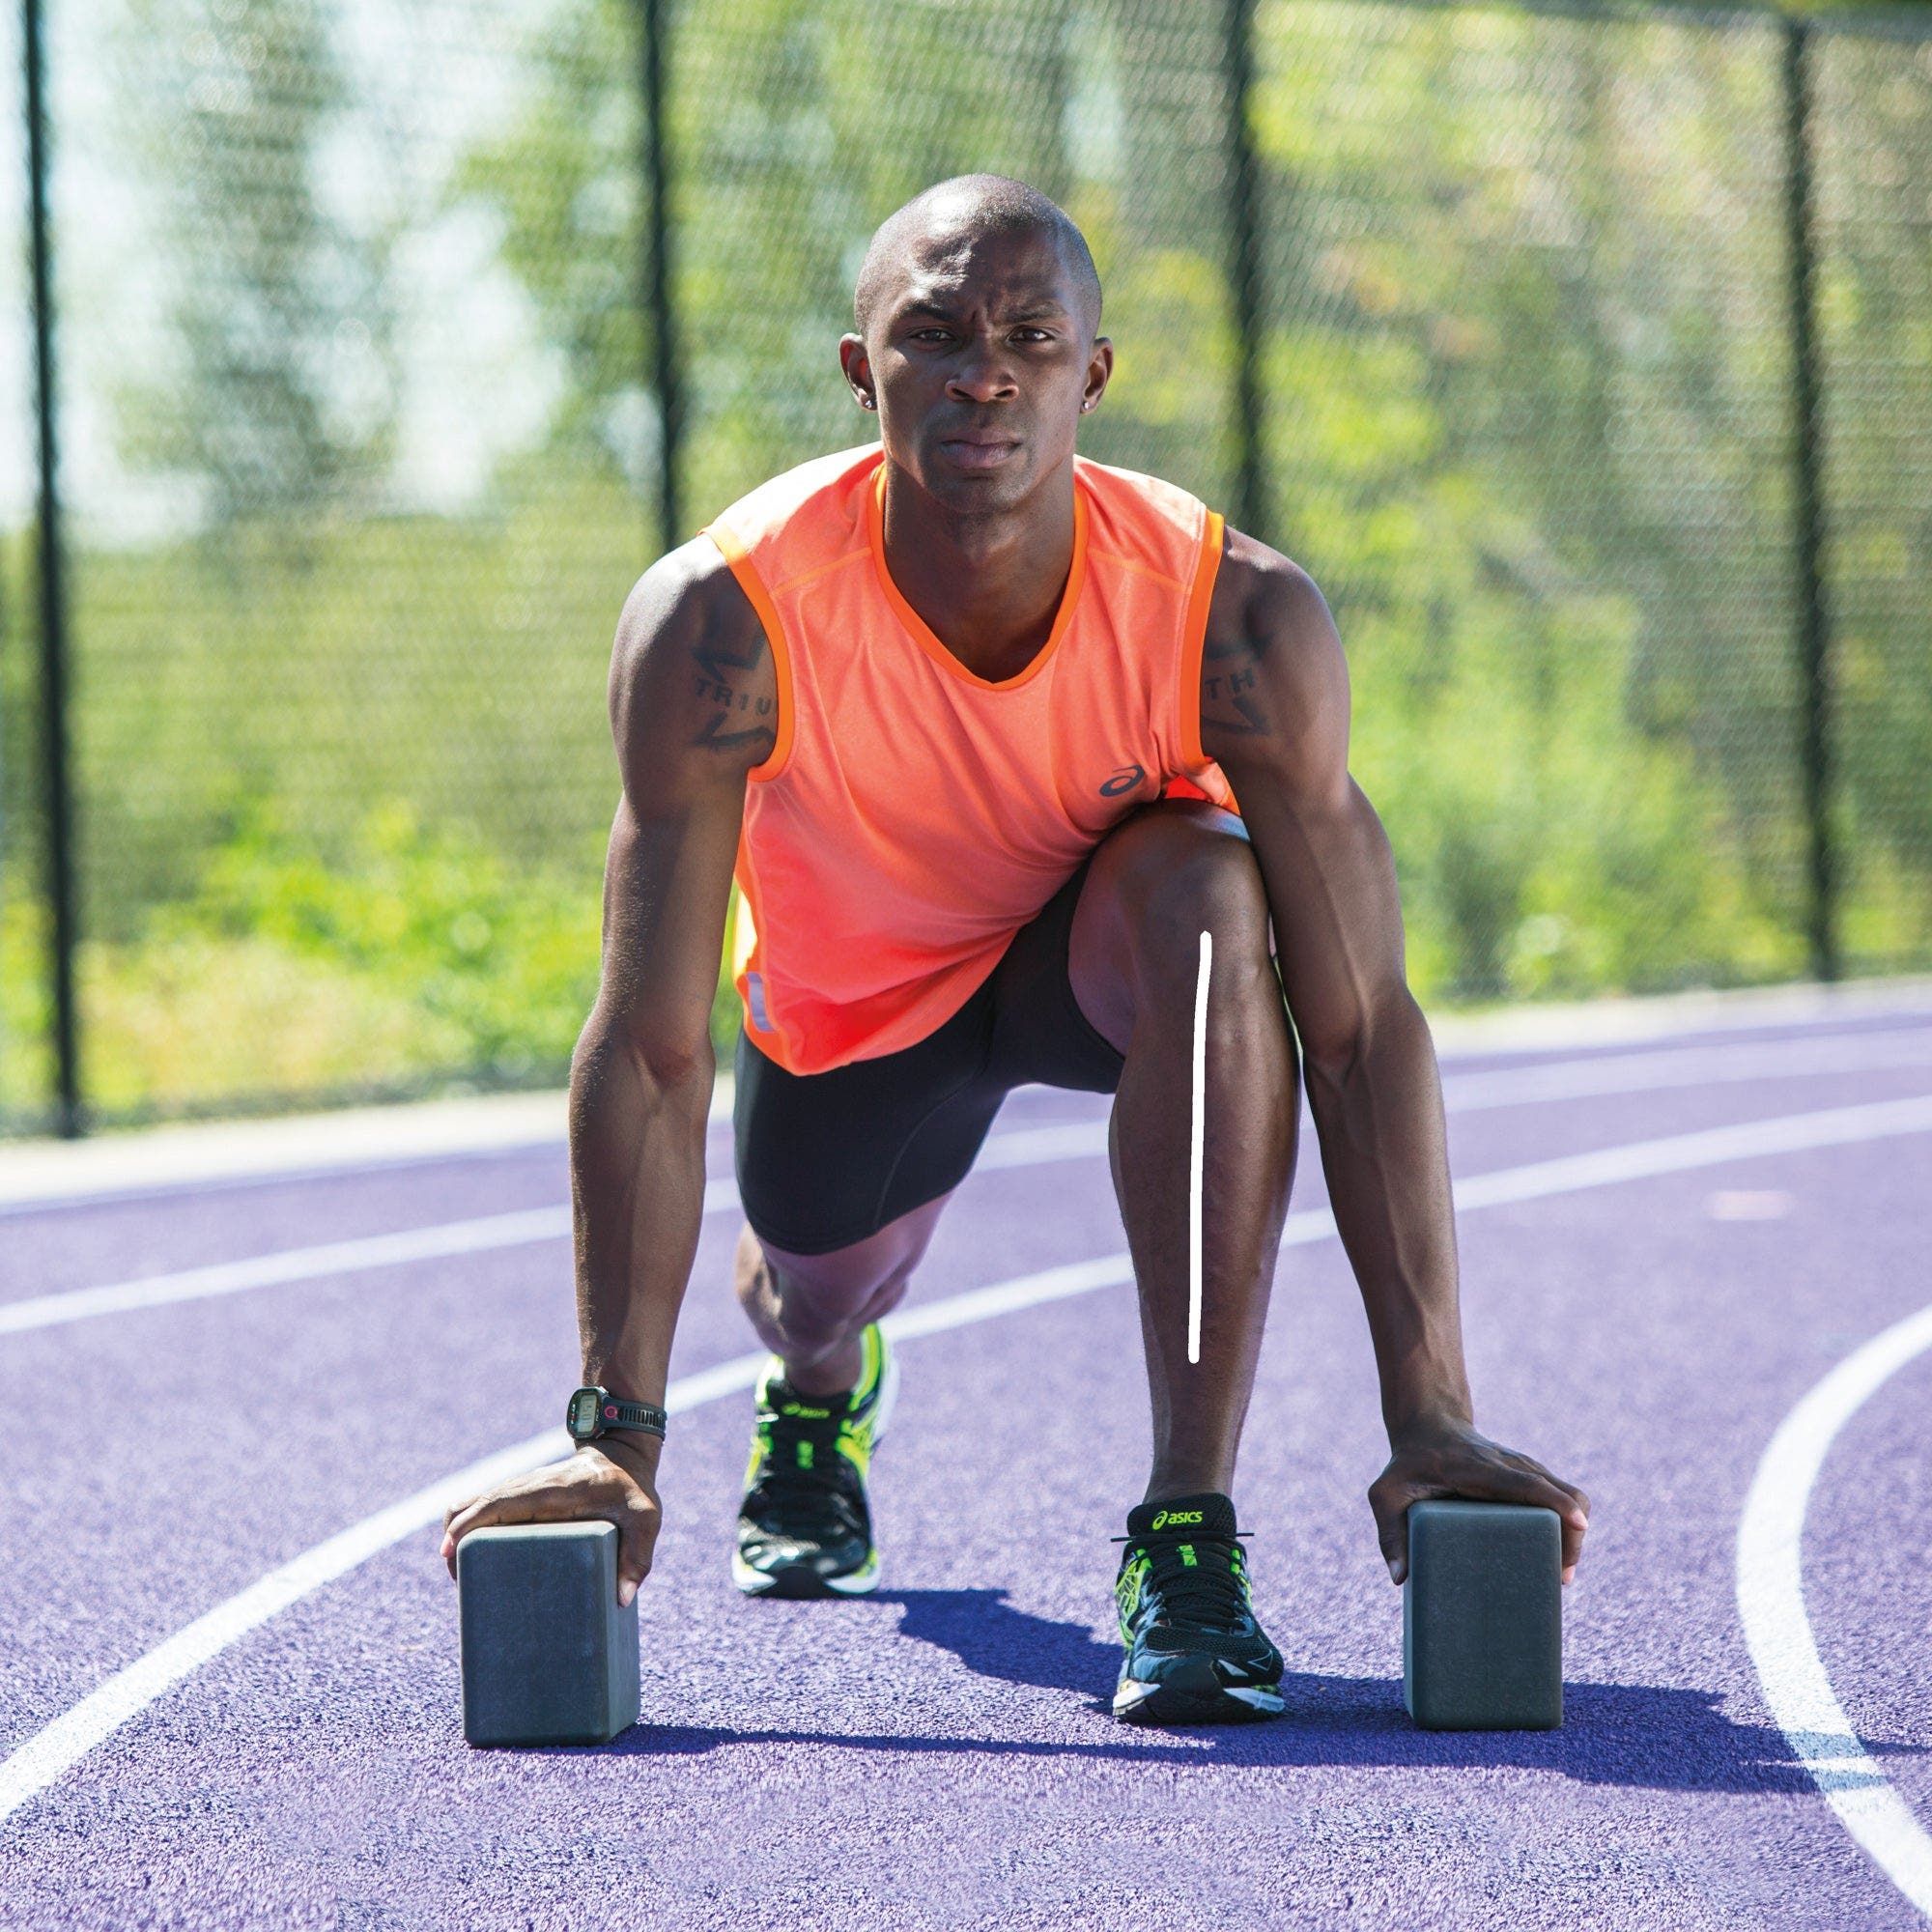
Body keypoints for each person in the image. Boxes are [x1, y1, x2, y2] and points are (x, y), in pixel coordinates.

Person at [440, 175, 1589, 1727]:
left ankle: (1186, 1532)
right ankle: (820, 1392)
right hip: (856, 1018)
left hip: (1095, 959)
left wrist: (1434, 1416)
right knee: (812, 1294)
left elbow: (1365, 1023)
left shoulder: (1232, 619)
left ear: (1090, 374)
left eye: (1031, 337)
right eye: (936, 332)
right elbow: (650, 1042)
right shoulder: (726, 623)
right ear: (864, 370)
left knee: (1218, 902)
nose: (985, 369)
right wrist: (616, 1436)